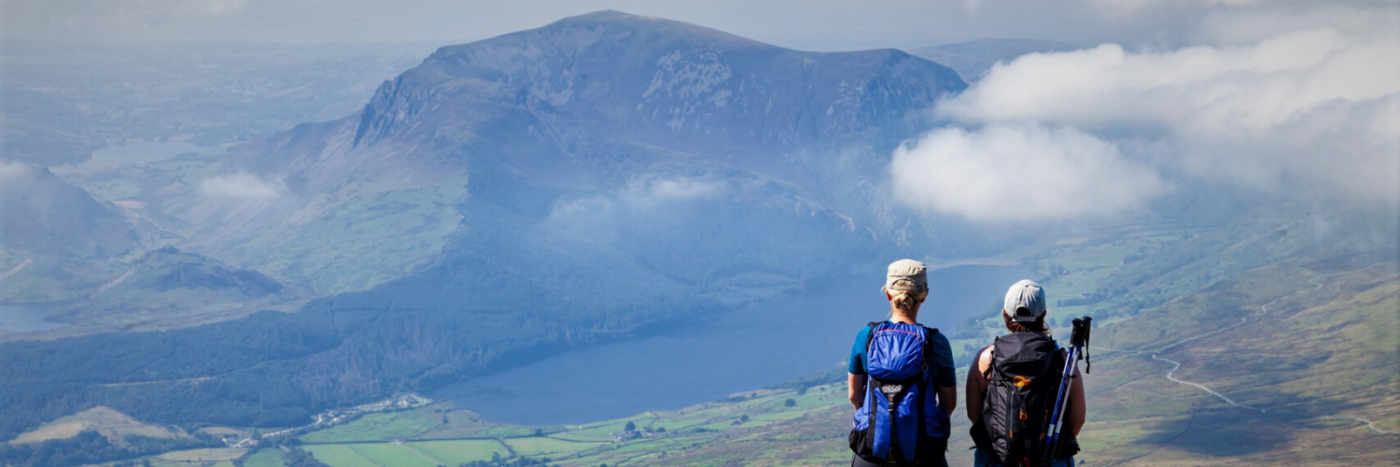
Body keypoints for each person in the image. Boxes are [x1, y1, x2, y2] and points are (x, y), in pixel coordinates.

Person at [848, 259, 957, 467]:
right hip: (924, 453)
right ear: (924, 296)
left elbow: (854, 396)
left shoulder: (866, 337)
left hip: (871, 453)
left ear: (888, 294)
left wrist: (875, 424)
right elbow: (949, 403)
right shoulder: (936, 343)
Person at [966, 280, 1084, 467]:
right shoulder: (1063, 361)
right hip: (1050, 459)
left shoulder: (985, 359)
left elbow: (975, 415)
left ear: (1005, 315)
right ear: (1044, 314)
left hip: (996, 459)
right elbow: (1076, 421)